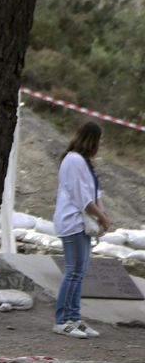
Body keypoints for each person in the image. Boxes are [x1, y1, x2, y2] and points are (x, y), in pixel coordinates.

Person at [53, 121, 111, 338]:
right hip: (73, 222)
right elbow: (82, 198)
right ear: (92, 139)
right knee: (73, 272)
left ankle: (74, 317)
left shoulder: (84, 162)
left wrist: (102, 215)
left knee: (79, 273)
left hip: (82, 224)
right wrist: (102, 217)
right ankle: (62, 320)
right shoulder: (74, 160)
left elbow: (95, 194)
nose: (101, 143)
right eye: (100, 139)